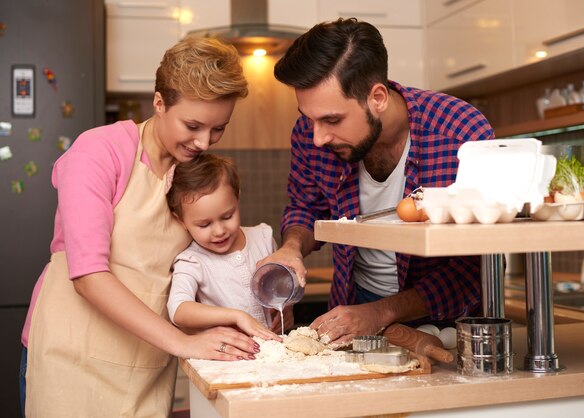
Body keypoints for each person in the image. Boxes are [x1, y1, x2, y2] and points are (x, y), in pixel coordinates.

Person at [20, 36, 256, 418]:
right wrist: (183, 342)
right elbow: (89, 276)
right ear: (159, 103)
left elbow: (208, 260)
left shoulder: (193, 175)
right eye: (193, 125)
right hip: (70, 362)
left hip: (145, 367)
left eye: (217, 129)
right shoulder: (99, 151)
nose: (203, 142)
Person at [266, 18, 495, 347]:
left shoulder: (460, 135)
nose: (317, 138)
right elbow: (306, 206)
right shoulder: (311, 133)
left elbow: (476, 267)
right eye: (308, 118)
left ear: (377, 98)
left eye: (332, 119)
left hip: (449, 321)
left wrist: (381, 313)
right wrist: (290, 249)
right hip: (355, 307)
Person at [166, 153, 286, 337]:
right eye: (204, 225)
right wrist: (235, 316)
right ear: (181, 220)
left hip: (273, 356)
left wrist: (286, 306)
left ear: (237, 198)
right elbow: (178, 310)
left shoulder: (263, 238)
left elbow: (280, 286)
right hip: (228, 360)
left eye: (227, 216)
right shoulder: (192, 261)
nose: (219, 230)